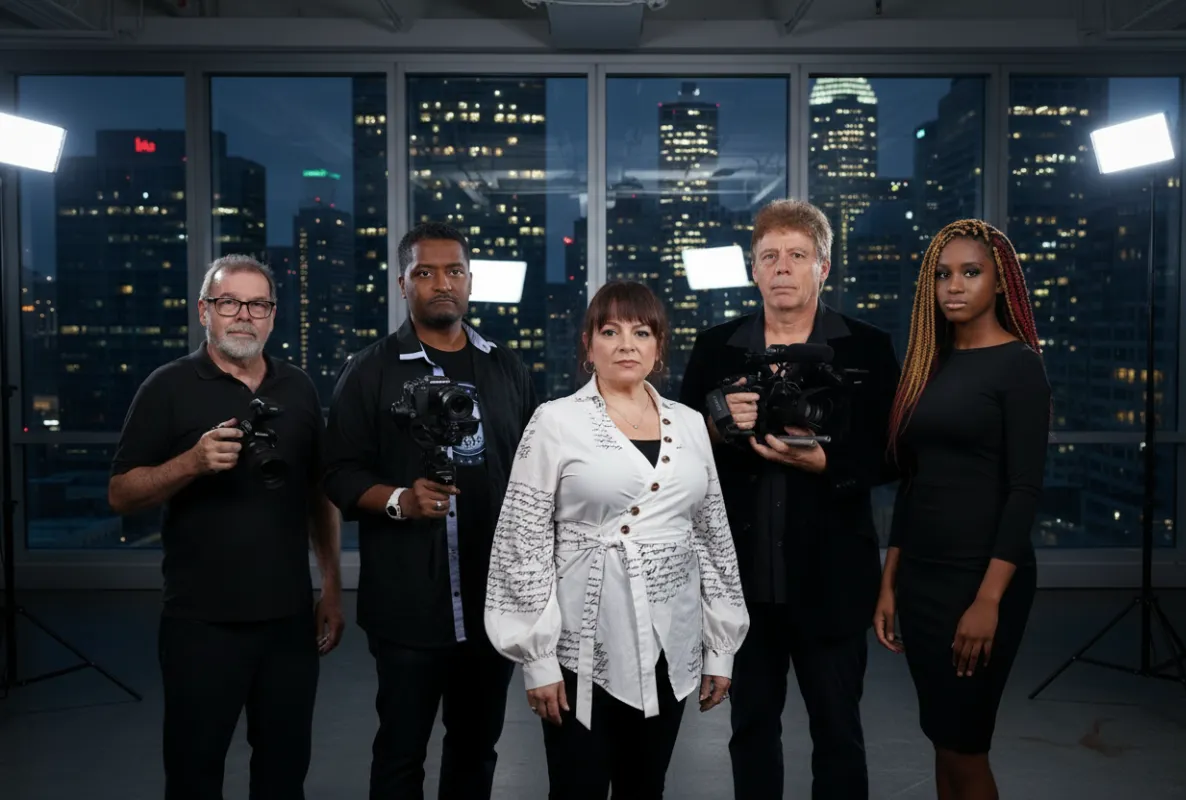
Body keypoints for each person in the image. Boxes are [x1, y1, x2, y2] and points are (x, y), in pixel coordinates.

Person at [485, 280, 750, 800]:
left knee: (646, 786)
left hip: (670, 642)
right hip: (582, 643)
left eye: (641, 331)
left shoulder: (692, 424)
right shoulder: (555, 421)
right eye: (611, 331)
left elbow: (712, 536)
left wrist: (721, 650)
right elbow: (522, 539)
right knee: (576, 787)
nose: (627, 344)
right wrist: (536, 659)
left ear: (659, 346)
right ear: (589, 345)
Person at [679, 199, 901, 800]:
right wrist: (720, 424)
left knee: (839, 730)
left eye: (797, 256)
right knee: (750, 729)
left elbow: (893, 453)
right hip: (742, 582)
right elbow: (678, 455)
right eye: (769, 257)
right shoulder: (717, 348)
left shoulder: (867, 348)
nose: (782, 268)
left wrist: (830, 464)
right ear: (754, 270)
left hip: (832, 576)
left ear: (823, 267)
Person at [108, 255, 344, 800]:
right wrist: (191, 462)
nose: (244, 315)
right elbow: (121, 492)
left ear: (273, 315)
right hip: (200, 620)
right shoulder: (167, 386)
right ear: (204, 312)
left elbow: (318, 494)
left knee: (284, 774)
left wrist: (330, 585)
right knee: (194, 774)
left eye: (257, 304)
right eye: (229, 302)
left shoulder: (299, 387)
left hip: (287, 619)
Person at [322, 221, 538, 799]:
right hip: (407, 607)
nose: (442, 283)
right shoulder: (370, 370)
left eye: (454, 271)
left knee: (475, 751)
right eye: (425, 272)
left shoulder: (506, 369)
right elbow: (337, 473)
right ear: (402, 283)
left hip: (492, 605)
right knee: (400, 753)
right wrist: (399, 501)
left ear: (470, 281)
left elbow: (536, 478)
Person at [874, 219, 1050, 800]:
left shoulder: (1020, 366)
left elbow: (1024, 490)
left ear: (1000, 283)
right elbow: (914, 482)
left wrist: (988, 601)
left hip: (981, 581)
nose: (954, 286)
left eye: (971, 273)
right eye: (943, 274)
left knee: (966, 748)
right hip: (922, 580)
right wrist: (890, 582)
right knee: (943, 741)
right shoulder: (930, 363)